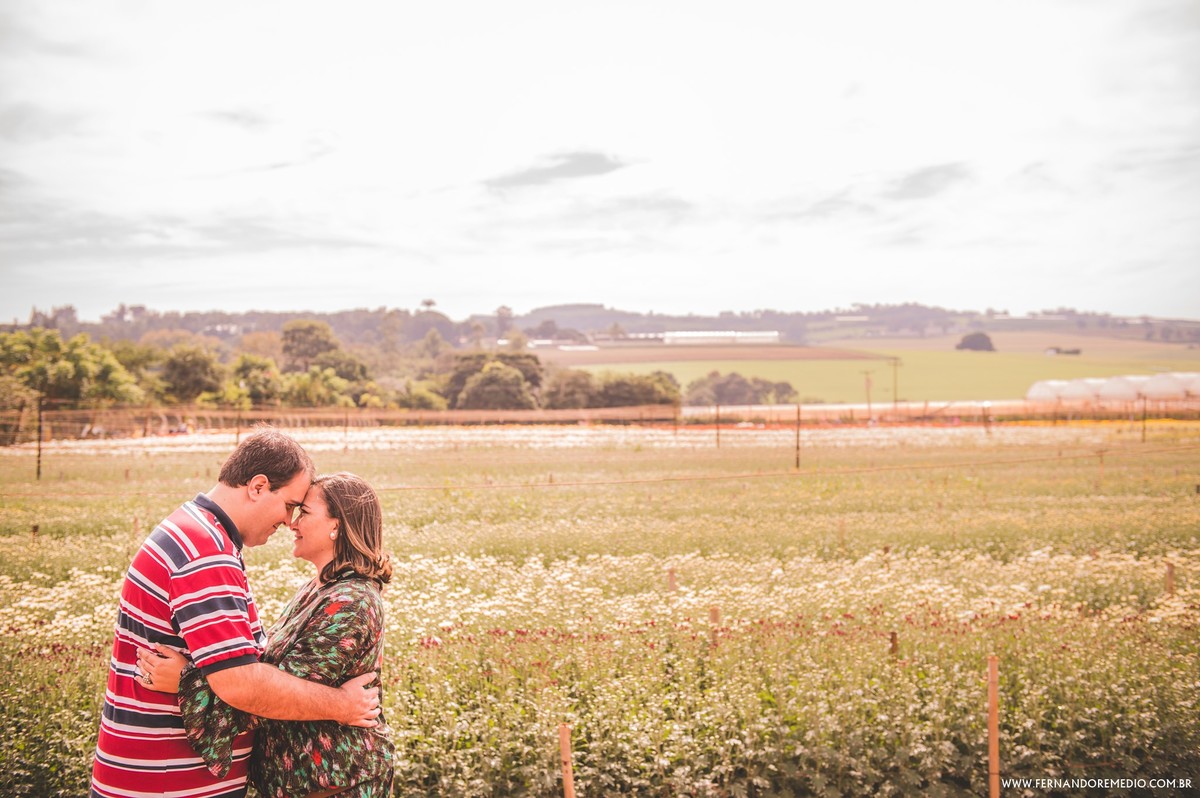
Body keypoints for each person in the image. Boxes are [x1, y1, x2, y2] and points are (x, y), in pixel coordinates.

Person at [90, 429, 381, 798]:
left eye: (300, 510)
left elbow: (246, 675)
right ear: (258, 487)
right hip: (165, 781)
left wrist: (186, 678)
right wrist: (342, 704)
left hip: (172, 777)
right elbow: (243, 684)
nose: (289, 520)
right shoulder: (204, 553)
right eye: (291, 504)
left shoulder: (204, 538)